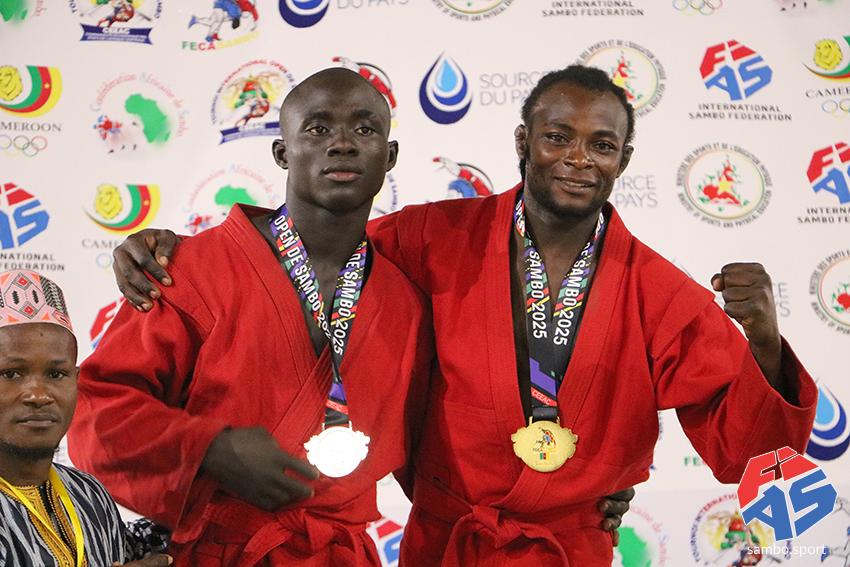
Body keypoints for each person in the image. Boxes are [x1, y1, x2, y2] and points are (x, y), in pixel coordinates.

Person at [117, 66, 804, 566]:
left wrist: (766, 343)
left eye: (600, 145)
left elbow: (755, 454)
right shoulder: (430, 238)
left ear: (624, 160)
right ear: (522, 141)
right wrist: (163, 249)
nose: (577, 159)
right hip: (446, 543)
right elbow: (309, 250)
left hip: (569, 549)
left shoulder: (661, 292)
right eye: (558, 136)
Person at [68, 68, 437, 566]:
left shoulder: (405, 301)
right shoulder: (191, 270)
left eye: (365, 129)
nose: (343, 144)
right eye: (318, 128)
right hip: (217, 553)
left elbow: (434, 452)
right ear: (282, 152)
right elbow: (97, 412)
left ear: (389, 157)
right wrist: (210, 450)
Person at [0, 269, 171, 567]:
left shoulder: (88, 492)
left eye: (56, 374)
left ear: (76, 380)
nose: (38, 395)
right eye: (12, 373)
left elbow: (128, 549)